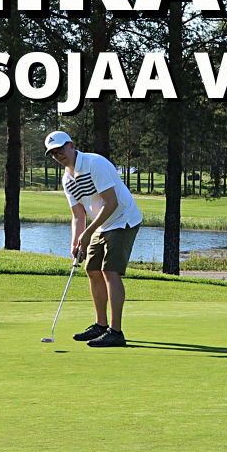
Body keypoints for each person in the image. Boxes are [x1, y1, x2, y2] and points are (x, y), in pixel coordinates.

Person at [45, 131, 143, 347]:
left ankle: (115, 332)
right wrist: (76, 240)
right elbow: (78, 214)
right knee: (92, 270)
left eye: (60, 149)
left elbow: (112, 202)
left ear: (71, 145)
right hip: (100, 223)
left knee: (110, 271)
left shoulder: (94, 163)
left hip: (122, 219)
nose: (58, 155)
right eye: (53, 153)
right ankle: (100, 325)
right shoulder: (67, 178)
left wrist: (88, 233)